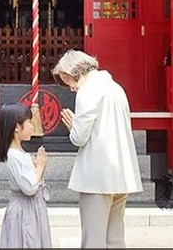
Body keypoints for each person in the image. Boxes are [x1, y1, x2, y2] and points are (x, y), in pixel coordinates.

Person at [53, 50, 142, 248]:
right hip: (120, 173)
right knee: (115, 239)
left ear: (72, 73)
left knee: (93, 239)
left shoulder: (88, 91)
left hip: (97, 176)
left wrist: (72, 125)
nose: (71, 87)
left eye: (67, 80)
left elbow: (79, 137)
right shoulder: (115, 88)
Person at [0, 103, 52, 248]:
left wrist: (38, 168)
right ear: (17, 128)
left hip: (30, 208)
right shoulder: (14, 156)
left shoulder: (18, 154)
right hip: (26, 210)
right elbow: (29, 188)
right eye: (29, 122)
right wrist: (40, 166)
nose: (33, 126)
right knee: (27, 241)